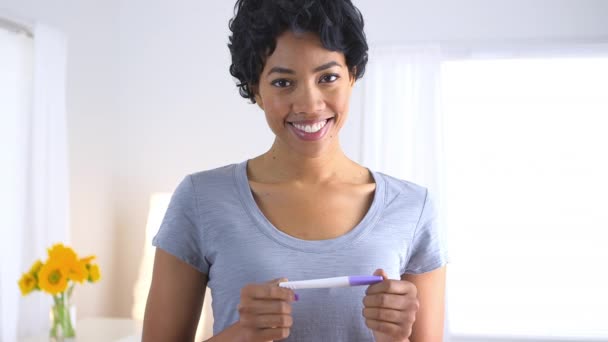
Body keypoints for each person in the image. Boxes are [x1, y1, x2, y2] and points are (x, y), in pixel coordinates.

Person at [142, 0, 447, 341]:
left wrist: (395, 337)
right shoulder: (201, 199)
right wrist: (242, 334)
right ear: (255, 89)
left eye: (328, 77)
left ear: (353, 75)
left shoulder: (413, 207)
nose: (309, 104)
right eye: (283, 83)